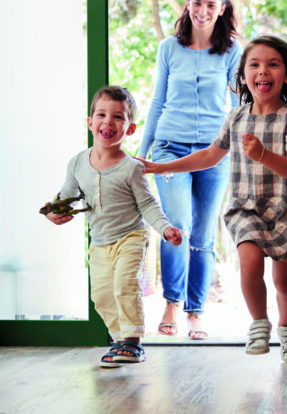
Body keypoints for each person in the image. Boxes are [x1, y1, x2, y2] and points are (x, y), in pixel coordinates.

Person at [140, 35, 287, 363]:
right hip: (247, 207)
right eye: (254, 65)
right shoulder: (236, 118)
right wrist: (162, 165)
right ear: (242, 76)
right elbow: (210, 156)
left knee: (284, 280)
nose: (262, 71)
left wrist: (262, 154)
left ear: (286, 74)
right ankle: (259, 323)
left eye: (273, 64)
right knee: (250, 264)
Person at [45, 85, 183, 368]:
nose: (108, 121)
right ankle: (119, 339)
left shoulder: (132, 167)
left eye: (118, 117)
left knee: (124, 285)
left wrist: (165, 228)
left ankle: (132, 342)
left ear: (130, 129)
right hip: (99, 242)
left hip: (130, 236)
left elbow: (147, 205)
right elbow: (67, 196)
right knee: (102, 295)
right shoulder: (77, 163)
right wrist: (53, 211)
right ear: (90, 123)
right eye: (102, 115)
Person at [137, 0, 242, 340]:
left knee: (203, 235)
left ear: (222, 8)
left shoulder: (231, 52)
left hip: (215, 152)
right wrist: (144, 152)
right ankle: (171, 304)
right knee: (177, 226)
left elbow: (241, 103)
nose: (203, 11)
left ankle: (195, 311)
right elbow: (158, 100)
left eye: (211, 5)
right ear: (188, 4)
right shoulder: (169, 47)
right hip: (169, 149)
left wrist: (240, 148)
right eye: (197, 2)